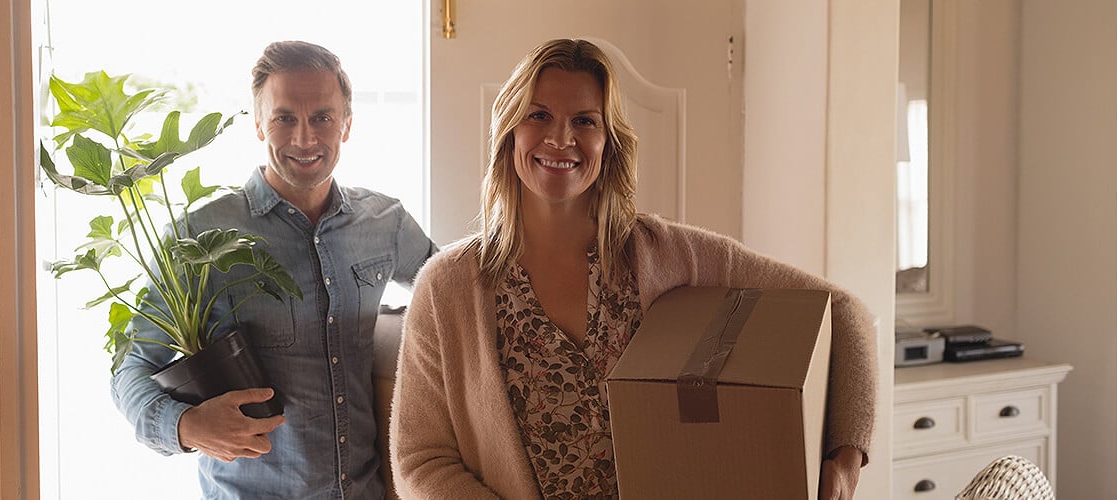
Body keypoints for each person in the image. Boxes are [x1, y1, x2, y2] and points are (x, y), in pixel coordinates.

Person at [390, 38, 877, 500]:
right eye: (539, 115)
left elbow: (846, 310)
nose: (561, 138)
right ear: (510, 131)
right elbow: (421, 460)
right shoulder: (447, 288)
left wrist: (845, 455)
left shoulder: (671, 256)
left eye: (585, 121)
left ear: (609, 143)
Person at [111, 40, 437, 499]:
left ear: (346, 125)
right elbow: (132, 369)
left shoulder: (386, 222)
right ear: (259, 123)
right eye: (285, 118)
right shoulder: (200, 235)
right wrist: (186, 426)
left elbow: (453, 291)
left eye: (322, 117)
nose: (305, 138)